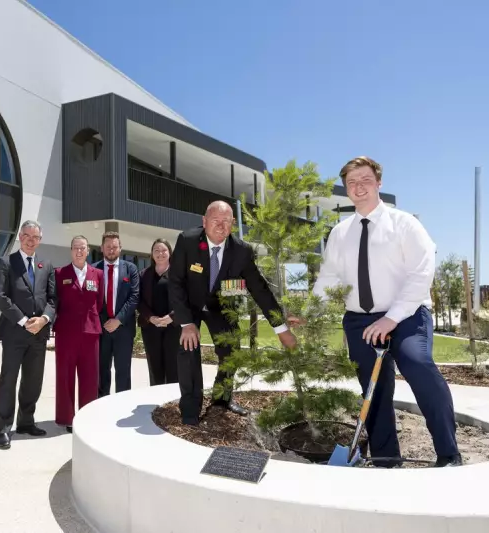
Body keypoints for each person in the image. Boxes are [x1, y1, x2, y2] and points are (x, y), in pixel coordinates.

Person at [312, 156, 460, 467]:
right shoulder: (339, 233)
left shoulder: (405, 224)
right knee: (373, 389)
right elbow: (328, 278)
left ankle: (449, 454)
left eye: (365, 180)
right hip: (359, 321)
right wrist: (310, 311)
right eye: (352, 183)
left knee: (419, 366)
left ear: (379, 183)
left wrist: (391, 318)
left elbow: (422, 273)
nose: (358, 187)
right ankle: (386, 458)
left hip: (405, 316)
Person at [168, 201, 298, 426]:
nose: (220, 226)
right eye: (215, 221)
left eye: (226, 221)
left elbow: (259, 289)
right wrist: (186, 323)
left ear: (233, 224)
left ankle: (221, 397)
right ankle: (190, 408)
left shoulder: (241, 251)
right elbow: (176, 282)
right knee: (188, 348)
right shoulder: (187, 241)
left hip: (219, 305)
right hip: (189, 306)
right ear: (204, 222)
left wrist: (281, 328)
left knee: (231, 348)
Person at [0, 220, 56, 450]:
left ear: (40, 239)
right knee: (8, 380)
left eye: (35, 237)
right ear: (20, 236)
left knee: (33, 380)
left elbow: (53, 299)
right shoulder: (6, 262)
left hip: (39, 334)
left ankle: (26, 422)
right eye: (27, 235)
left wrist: (43, 319)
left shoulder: (46, 265)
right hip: (14, 333)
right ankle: (3, 428)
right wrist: (22, 320)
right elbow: (0, 296)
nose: (31, 240)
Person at [53, 235, 104, 432]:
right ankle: (66, 417)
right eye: (76, 247)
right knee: (64, 376)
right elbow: (56, 301)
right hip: (66, 333)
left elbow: (98, 302)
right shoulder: (59, 273)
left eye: (83, 248)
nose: (79, 251)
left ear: (88, 250)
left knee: (90, 377)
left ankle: (86, 415)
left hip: (90, 332)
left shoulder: (97, 274)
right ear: (71, 250)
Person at [94, 231, 140, 397]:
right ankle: (102, 404)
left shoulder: (131, 269)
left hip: (124, 330)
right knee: (102, 371)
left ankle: (121, 405)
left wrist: (118, 320)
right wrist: (103, 322)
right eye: (108, 247)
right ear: (102, 248)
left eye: (114, 247)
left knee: (123, 372)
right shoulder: (93, 269)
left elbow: (134, 297)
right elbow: (91, 300)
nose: (111, 250)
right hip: (101, 329)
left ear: (120, 248)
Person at [137, 238, 179, 385]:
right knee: (155, 369)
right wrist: (151, 317)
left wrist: (171, 317)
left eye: (163, 250)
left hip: (173, 327)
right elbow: (139, 300)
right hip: (151, 328)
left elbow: (186, 298)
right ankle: (156, 404)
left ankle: (172, 403)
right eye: (156, 250)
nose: (160, 253)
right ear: (152, 254)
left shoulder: (179, 273)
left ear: (169, 252)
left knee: (173, 368)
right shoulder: (144, 274)